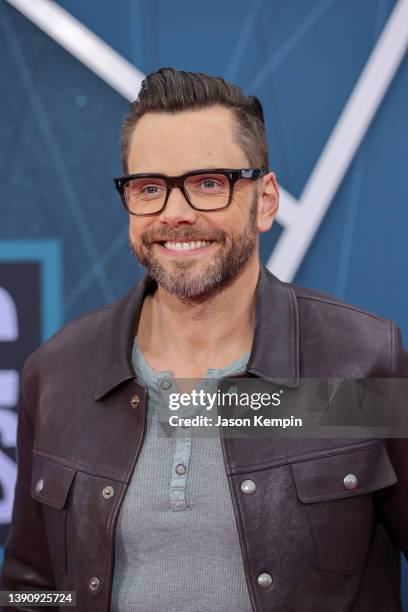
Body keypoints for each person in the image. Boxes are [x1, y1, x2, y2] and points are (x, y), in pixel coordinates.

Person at [1, 67, 407, 612]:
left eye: (208, 183)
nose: (176, 213)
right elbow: (31, 589)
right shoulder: (58, 375)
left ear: (265, 201)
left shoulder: (360, 361)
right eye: (150, 188)